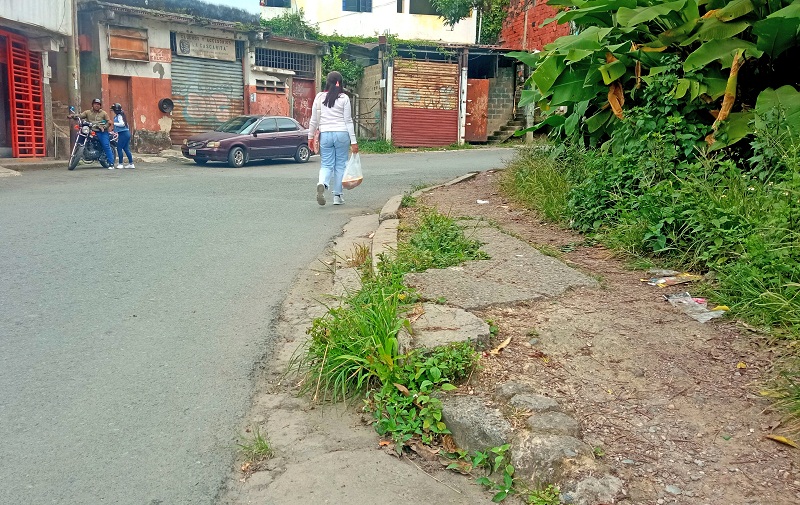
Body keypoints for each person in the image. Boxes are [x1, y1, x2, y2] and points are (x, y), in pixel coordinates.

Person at [308, 71, 358, 206]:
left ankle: (322, 183)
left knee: (326, 164)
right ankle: (337, 196)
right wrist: (354, 141)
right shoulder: (344, 98)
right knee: (340, 165)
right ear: (340, 83)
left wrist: (310, 137)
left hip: (325, 134)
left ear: (327, 82)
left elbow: (313, 120)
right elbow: (348, 121)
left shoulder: (319, 97)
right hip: (342, 134)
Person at [74, 98, 116, 169]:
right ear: (92, 105)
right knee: (80, 135)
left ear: (100, 106)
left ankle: (111, 163)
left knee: (106, 145)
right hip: (90, 130)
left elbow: (109, 122)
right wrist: (73, 116)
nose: (97, 105)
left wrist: (104, 127)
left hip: (101, 131)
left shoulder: (103, 113)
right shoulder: (88, 112)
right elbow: (80, 115)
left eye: (98, 104)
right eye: (95, 104)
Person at [111, 103, 134, 169]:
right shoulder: (122, 114)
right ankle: (131, 163)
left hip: (123, 133)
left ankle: (120, 163)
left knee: (119, 148)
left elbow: (122, 124)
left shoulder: (119, 116)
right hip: (126, 133)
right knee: (126, 149)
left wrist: (113, 123)